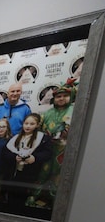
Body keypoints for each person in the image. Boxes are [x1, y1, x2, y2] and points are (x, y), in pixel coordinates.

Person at [34, 79, 76, 208]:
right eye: (58, 96)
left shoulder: (74, 111)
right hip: (48, 149)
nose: (61, 98)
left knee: (59, 175)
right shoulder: (48, 113)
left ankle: (55, 201)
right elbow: (40, 130)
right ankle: (36, 195)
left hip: (64, 150)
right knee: (43, 171)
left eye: (64, 96)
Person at [2, 113, 52, 208]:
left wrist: (35, 158)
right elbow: (5, 152)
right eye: (26, 123)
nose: (28, 126)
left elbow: (48, 153)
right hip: (14, 173)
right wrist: (14, 157)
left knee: (23, 199)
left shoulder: (43, 139)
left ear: (37, 125)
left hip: (30, 174)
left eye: (32, 124)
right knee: (11, 197)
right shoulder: (16, 137)